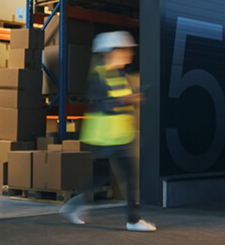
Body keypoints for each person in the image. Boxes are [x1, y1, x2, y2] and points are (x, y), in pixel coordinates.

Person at [60, 31, 156, 232]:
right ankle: (133, 220)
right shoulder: (99, 75)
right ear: (112, 52)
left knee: (101, 178)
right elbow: (103, 104)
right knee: (127, 175)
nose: (129, 54)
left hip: (119, 135)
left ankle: (75, 206)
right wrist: (129, 100)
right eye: (125, 50)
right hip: (106, 137)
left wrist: (133, 99)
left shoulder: (120, 75)